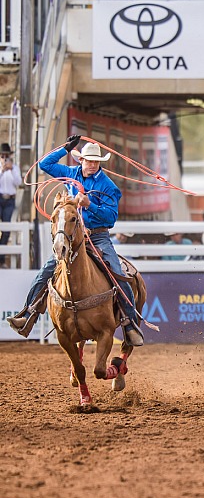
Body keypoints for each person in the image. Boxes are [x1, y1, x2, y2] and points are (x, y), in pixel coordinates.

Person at [7, 136, 144, 346]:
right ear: (81, 160)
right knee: (47, 270)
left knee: (117, 273)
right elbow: (46, 165)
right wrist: (65, 148)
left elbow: (111, 218)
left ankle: (129, 323)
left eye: (95, 161)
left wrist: (89, 204)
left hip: (97, 236)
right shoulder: (71, 174)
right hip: (73, 236)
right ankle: (29, 315)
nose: (91, 164)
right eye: (88, 160)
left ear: (99, 163)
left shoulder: (107, 186)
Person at [0, 143, 22, 268]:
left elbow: (18, 182)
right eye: (2, 156)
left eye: (6, 156)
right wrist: (2, 171)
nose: (4, 158)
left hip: (9, 200)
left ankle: (1, 259)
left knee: (7, 228)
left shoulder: (15, 168)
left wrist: (11, 169)